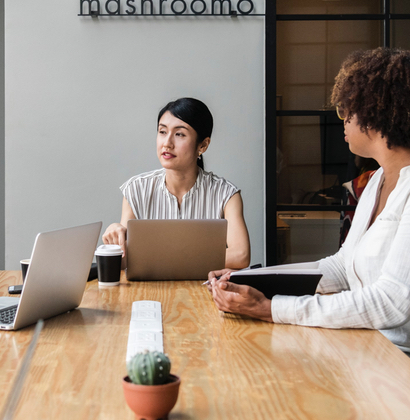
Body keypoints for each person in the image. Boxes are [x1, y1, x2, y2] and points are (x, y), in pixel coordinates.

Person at [209, 47, 410, 356]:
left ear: (375, 112)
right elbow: (340, 268)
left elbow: (391, 303)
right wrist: (245, 278)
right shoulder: (376, 183)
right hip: (363, 347)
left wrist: (272, 308)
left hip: (396, 362)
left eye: (346, 110)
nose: (341, 120)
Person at [102, 97, 251, 269]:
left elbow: (241, 255)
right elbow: (125, 259)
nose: (167, 143)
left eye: (179, 134)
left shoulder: (226, 194)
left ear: (202, 145)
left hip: (204, 292)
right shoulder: (136, 189)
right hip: (149, 294)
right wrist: (114, 235)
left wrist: (161, 257)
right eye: (162, 132)